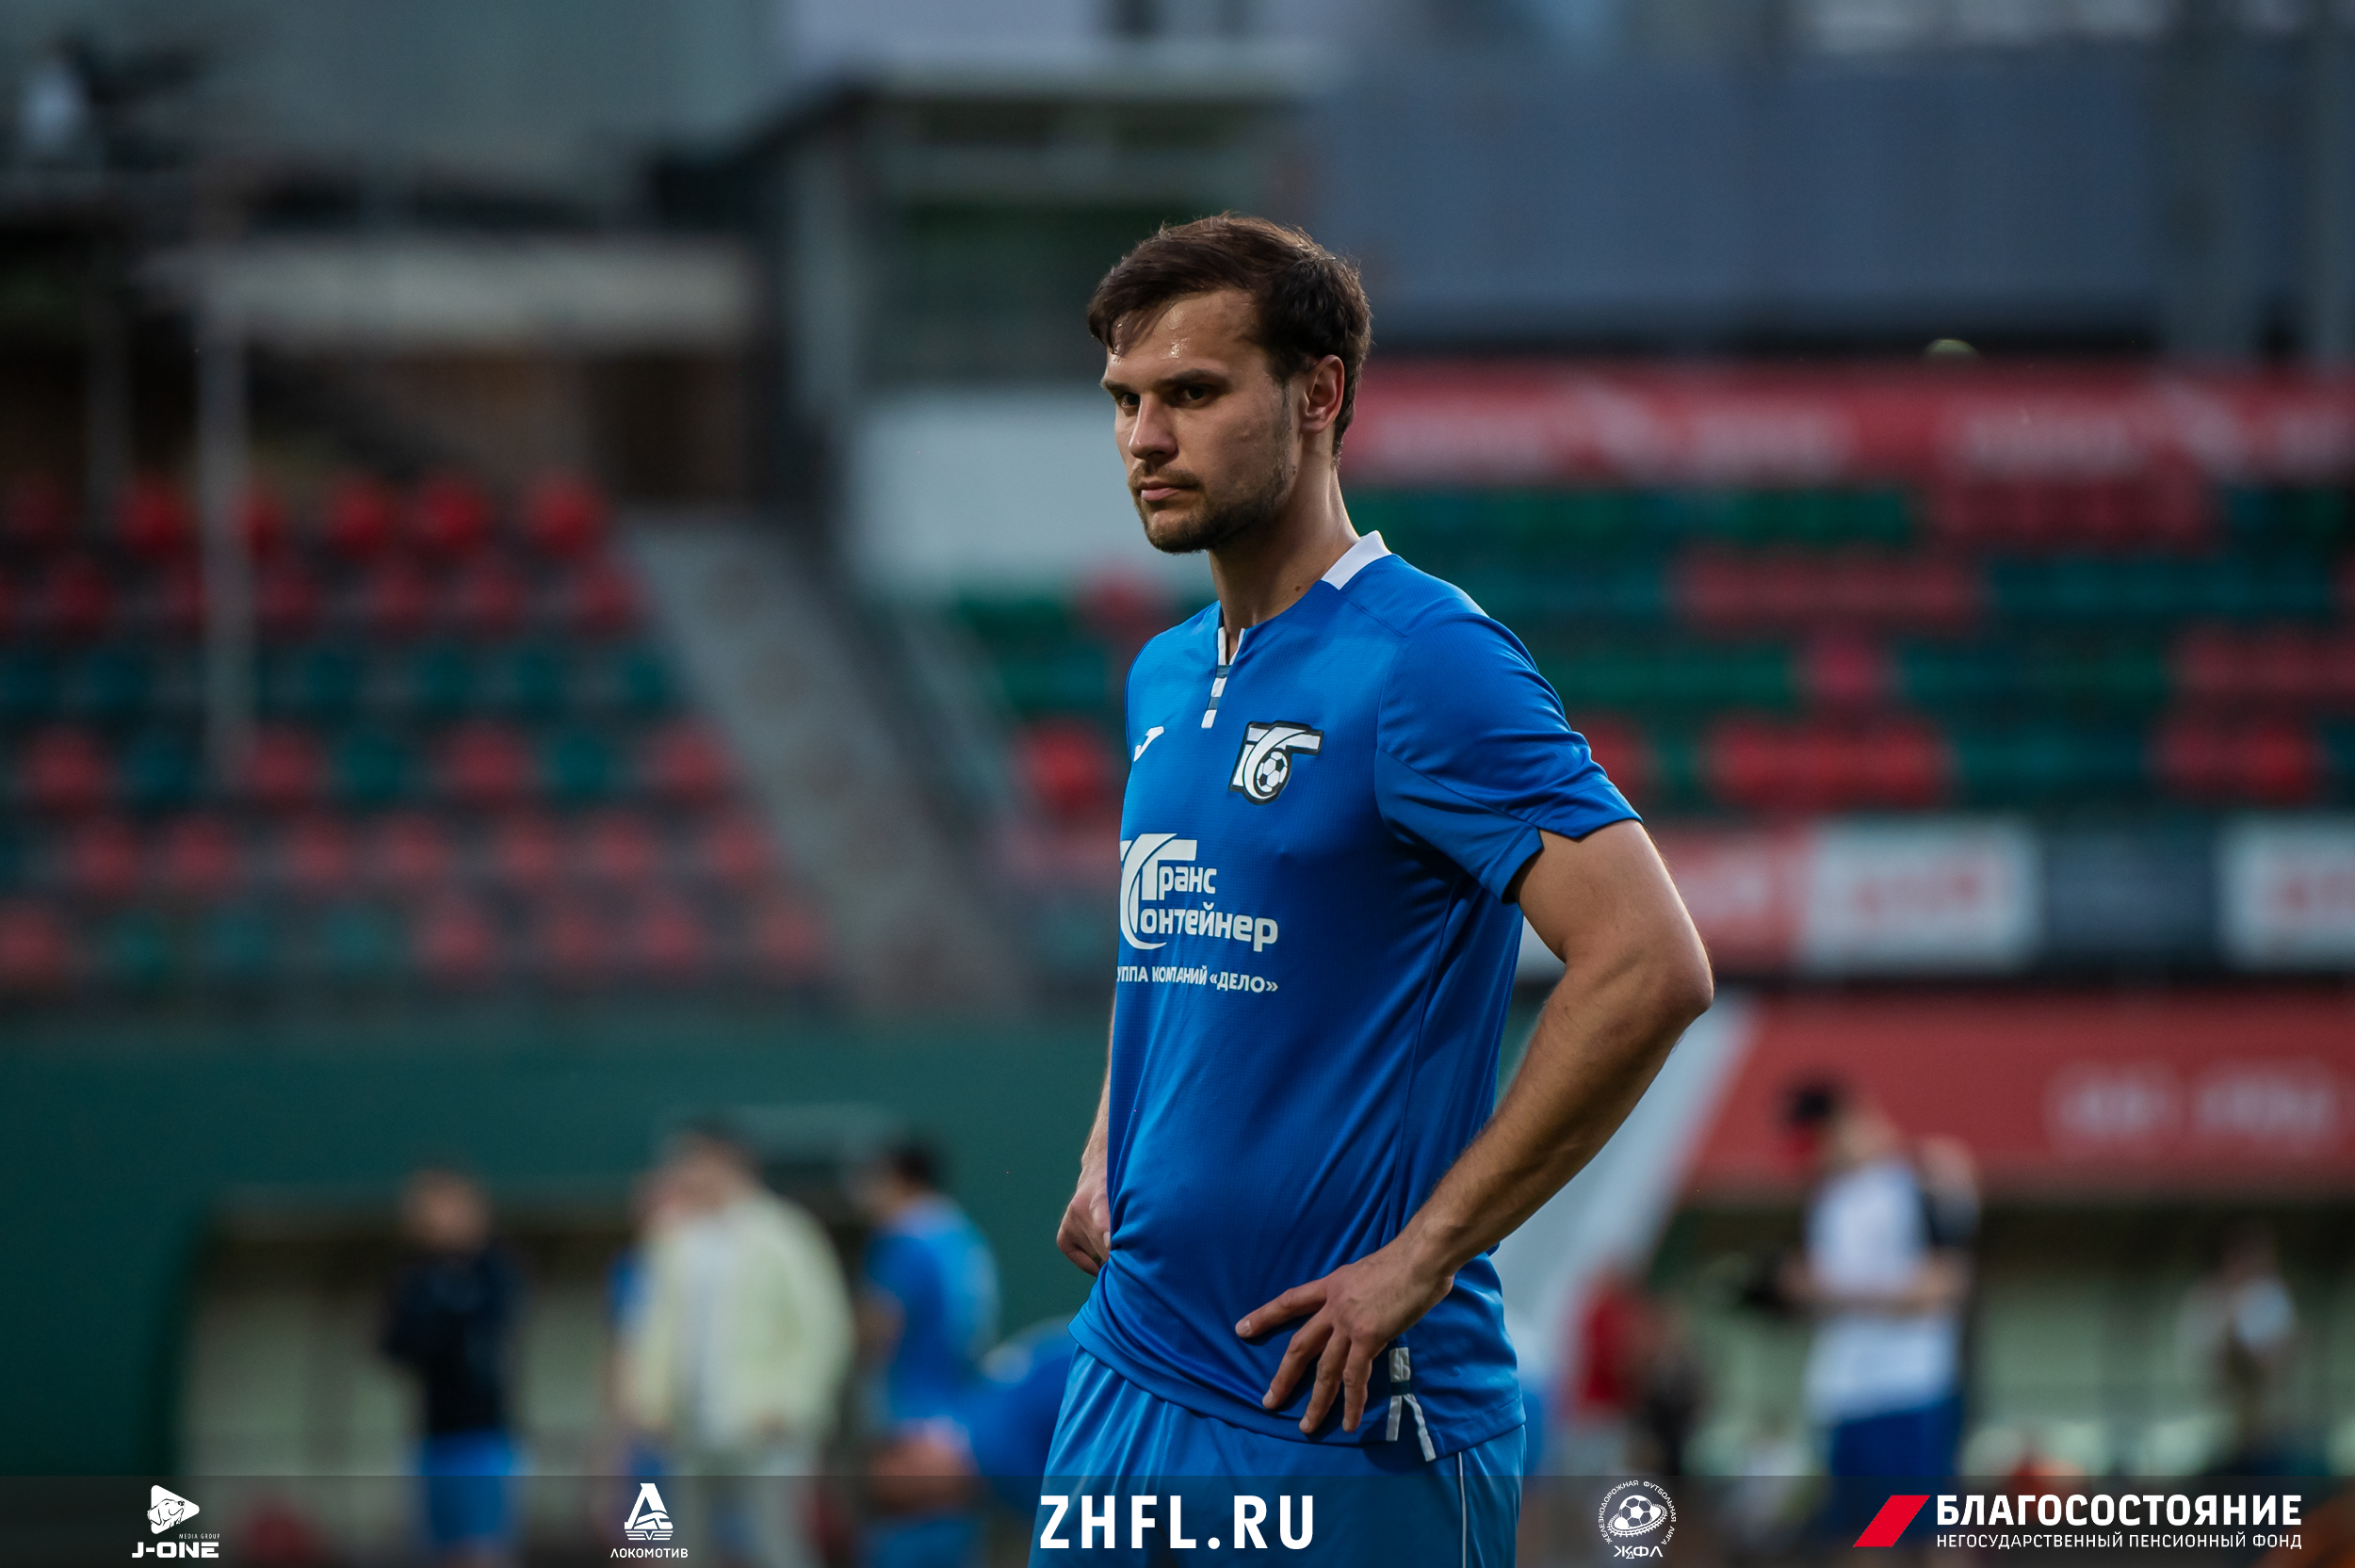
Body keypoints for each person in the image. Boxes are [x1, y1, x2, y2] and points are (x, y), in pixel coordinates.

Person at [1045, 216, 1714, 1562]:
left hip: (1344, 1413)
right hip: (1128, 1376)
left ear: (1318, 394)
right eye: (1124, 400)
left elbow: (1649, 964)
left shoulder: (1426, 661)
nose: (1144, 439)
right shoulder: (1163, 673)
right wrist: (1111, 1139)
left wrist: (1421, 1257)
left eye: (1192, 393)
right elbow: (1171, 933)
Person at [619, 1127, 854, 1568]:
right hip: (690, 1425)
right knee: (683, 1545)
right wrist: (650, 1402)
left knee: (775, 1543)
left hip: (762, 1424)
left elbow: (823, 1328)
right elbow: (654, 1328)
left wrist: (790, 1403)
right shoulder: (676, 1238)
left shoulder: (784, 1233)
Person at [1778, 1080, 1971, 1536]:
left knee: (1924, 1534)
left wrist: (1828, 1291)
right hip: (1845, 1397)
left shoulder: (1917, 1182)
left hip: (1904, 1395)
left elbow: (1943, 1286)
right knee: (1866, 1537)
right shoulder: (1829, 1199)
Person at [856, 1140, 1000, 1568]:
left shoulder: (903, 1238)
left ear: (900, 1180)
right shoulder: (961, 1235)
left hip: (911, 1413)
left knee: (903, 1541)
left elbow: (879, 1325)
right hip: (960, 1411)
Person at [381, 1168, 524, 1568]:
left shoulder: (493, 1268)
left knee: (483, 1548)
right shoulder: (414, 1274)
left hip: (484, 1436)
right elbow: (396, 1343)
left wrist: (446, 1318)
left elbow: (490, 1327)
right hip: (432, 1437)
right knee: (437, 1548)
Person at [2181, 1220, 2299, 1468]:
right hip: (2218, 1413)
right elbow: (2203, 1354)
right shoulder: (2209, 1296)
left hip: (2267, 1415)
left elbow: (2281, 1351)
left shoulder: (2272, 1296)